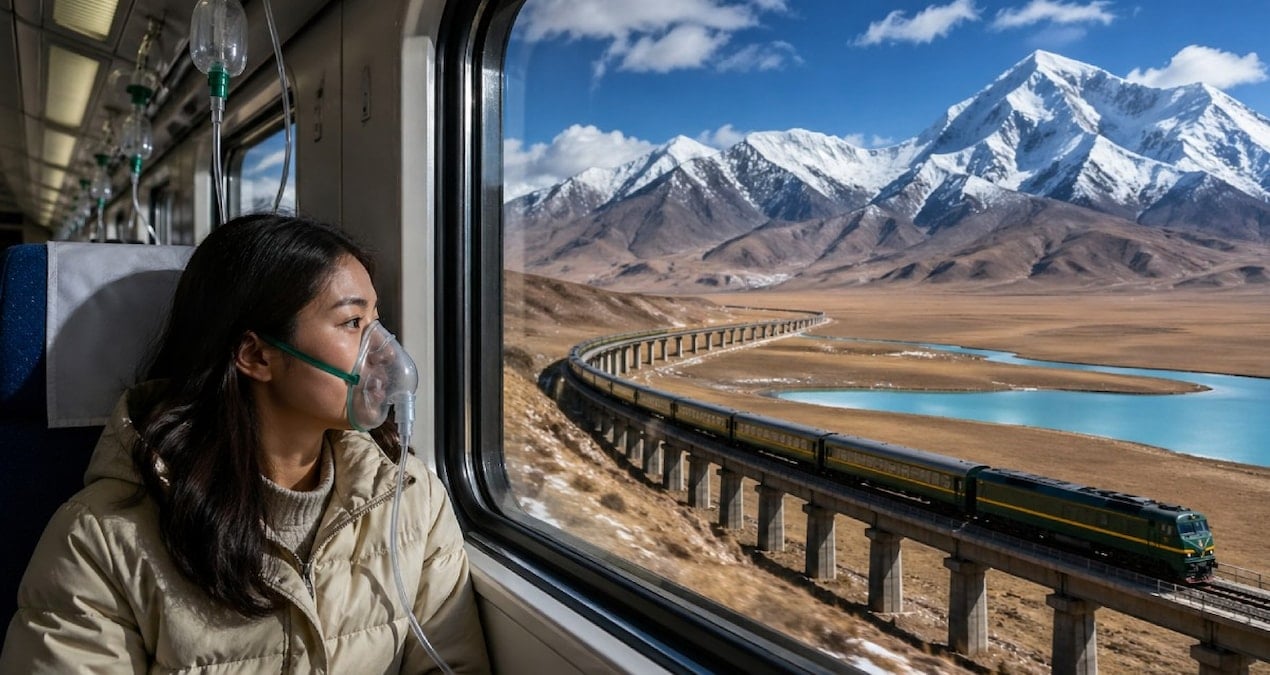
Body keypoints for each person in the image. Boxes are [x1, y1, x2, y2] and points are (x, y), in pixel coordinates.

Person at [0, 214, 490, 673]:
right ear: (256, 355)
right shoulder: (103, 540)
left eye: (376, 321)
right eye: (351, 323)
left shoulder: (411, 501)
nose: (383, 350)